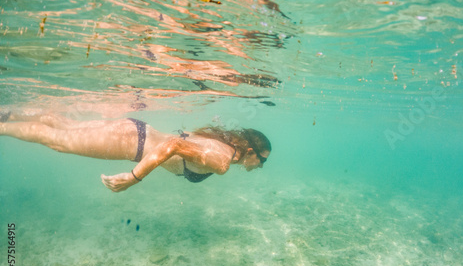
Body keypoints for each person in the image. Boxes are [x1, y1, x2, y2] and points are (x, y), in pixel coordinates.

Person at [0, 110, 271, 192]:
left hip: (135, 132)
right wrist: (134, 177)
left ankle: (8, 113)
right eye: (262, 160)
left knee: (65, 125)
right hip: (132, 143)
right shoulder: (222, 159)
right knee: (56, 140)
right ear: (250, 150)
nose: (260, 166)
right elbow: (173, 145)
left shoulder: (221, 145)